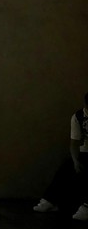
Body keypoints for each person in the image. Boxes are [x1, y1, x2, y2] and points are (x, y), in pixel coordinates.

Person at [33, 91, 88, 221]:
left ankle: (86, 207)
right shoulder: (78, 117)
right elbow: (74, 143)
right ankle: (50, 200)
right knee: (65, 168)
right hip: (85, 152)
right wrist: (75, 161)